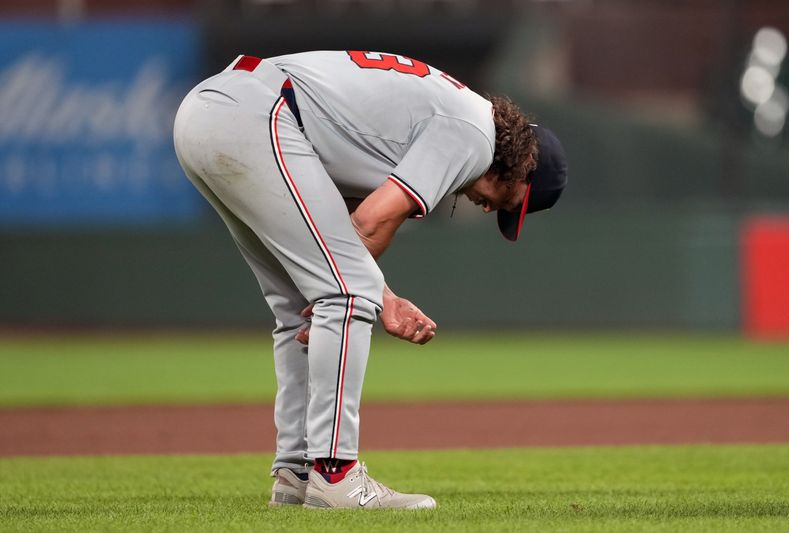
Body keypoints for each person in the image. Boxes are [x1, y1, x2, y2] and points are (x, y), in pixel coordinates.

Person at [173, 50, 567, 510]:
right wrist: (369, 295)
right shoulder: (474, 137)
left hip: (208, 113)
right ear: (522, 166)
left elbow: (337, 232)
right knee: (342, 295)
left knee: (302, 302)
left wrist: (379, 294)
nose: (491, 209)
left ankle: (296, 474)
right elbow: (371, 222)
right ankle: (336, 475)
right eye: (509, 202)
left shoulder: (455, 112)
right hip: (259, 115)